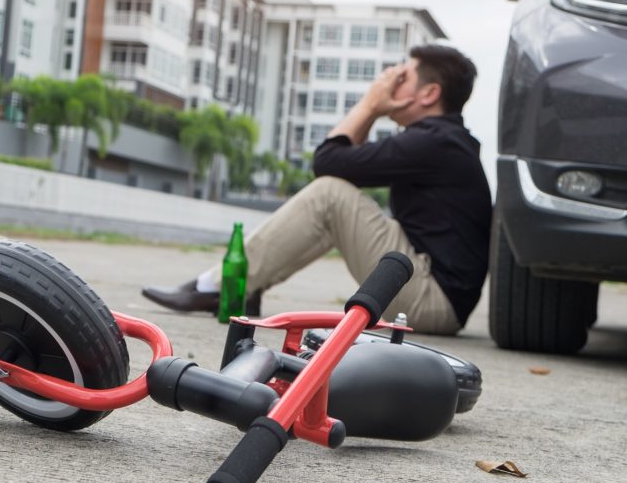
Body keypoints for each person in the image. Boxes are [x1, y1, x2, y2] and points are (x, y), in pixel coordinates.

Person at [142, 43, 492, 335]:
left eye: (400, 78)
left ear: (429, 93)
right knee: (335, 195)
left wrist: (370, 104)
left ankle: (217, 287)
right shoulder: (444, 142)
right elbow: (343, 162)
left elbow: (328, 161)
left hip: (431, 302)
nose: (387, 84)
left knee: (329, 194)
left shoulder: (435, 143)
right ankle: (240, 288)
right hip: (430, 290)